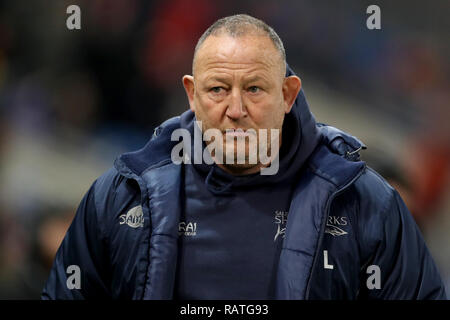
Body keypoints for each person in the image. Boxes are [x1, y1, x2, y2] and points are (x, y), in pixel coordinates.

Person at [42, 14, 446, 300]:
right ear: (191, 93)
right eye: (218, 89)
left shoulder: (364, 203)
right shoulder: (121, 195)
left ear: (288, 95)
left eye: (254, 89)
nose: (235, 108)